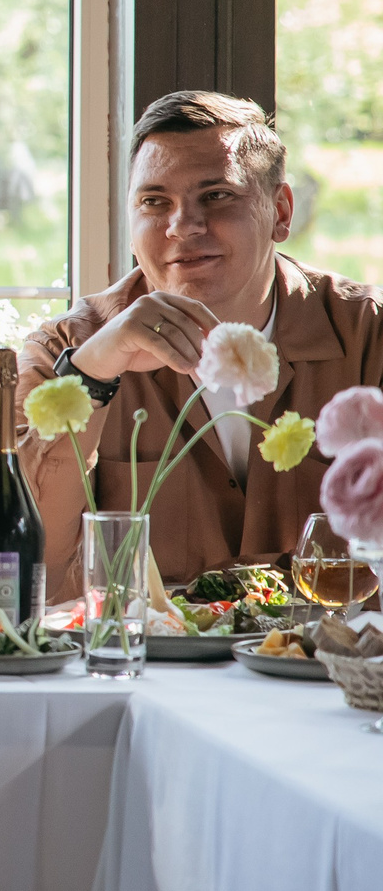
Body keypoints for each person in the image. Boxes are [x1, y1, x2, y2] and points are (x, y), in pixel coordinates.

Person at [19, 90, 383, 589]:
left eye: (216, 196)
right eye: (154, 201)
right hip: (145, 663)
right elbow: (21, 562)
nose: (182, 225)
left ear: (280, 211)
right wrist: (92, 376)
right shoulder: (67, 349)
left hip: (327, 663)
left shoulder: (370, 336)